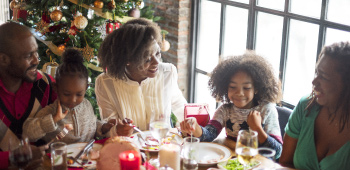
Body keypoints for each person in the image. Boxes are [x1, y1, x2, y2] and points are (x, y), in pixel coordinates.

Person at [180, 51, 283, 158]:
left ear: (256, 88)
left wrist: (257, 128)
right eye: (233, 87)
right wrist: (195, 127)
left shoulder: (267, 110)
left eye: (246, 88)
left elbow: (277, 151)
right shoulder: (225, 110)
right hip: (234, 162)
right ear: (225, 87)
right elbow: (209, 135)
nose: (239, 93)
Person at [95, 18, 187, 133]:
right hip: (128, 147)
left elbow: (179, 105)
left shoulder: (168, 72)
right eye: (147, 59)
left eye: (158, 53)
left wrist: (190, 122)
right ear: (127, 60)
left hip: (163, 145)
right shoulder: (105, 82)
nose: (157, 62)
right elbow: (109, 124)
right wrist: (116, 130)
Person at [23, 48, 118, 144]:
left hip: (88, 156)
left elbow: (92, 124)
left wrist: (103, 127)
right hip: (61, 157)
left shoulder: (87, 105)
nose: (73, 100)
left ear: (86, 88)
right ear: (56, 88)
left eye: (79, 94)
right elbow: (28, 134)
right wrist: (53, 119)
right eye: (67, 94)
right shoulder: (50, 112)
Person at [280, 42, 350, 169]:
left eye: (323, 77)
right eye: (317, 73)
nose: (314, 81)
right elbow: (284, 163)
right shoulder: (306, 106)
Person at [0, 22, 56, 169]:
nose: (37, 60)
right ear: (3, 59)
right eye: (28, 56)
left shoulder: (46, 84)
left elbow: (76, 111)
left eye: (36, 52)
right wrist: (11, 159)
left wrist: (107, 128)